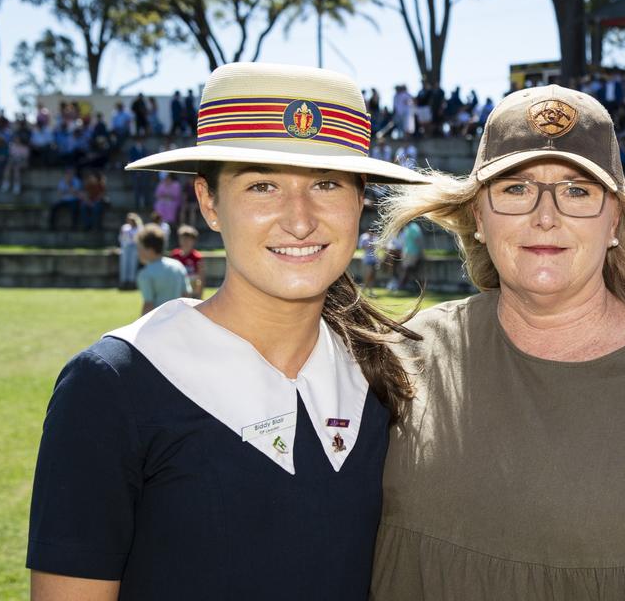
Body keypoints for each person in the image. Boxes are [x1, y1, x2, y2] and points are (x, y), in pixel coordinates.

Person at [26, 62, 428, 599]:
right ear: (208, 202)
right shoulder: (113, 384)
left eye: (327, 184)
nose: (300, 219)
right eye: (263, 186)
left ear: (360, 201)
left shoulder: (379, 377)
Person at [372, 84, 625, 599]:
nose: (546, 216)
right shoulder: (409, 351)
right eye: (516, 188)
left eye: (577, 190)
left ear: (615, 219)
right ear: (479, 216)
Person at [135, 223, 192, 314]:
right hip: (177, 320)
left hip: (158, 323)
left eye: (140, 248)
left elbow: (148, 304)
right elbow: (186, 295)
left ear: (150, 249)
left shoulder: (145, 274)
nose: (138, 252)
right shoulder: (177, 266)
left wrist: (140, 327)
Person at [170, 224, 206, 299]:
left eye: (188, 239)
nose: (185, 241)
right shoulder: (174, 255)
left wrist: (199, 294)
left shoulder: (197, 257)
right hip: (177, 291)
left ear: (193, 241)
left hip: (192, 292)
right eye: (183, 239)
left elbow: (201, 277)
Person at [118, 212, 143, 290]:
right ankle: (123, 282)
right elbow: (121, 238)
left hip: (135, 248)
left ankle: (132, 283)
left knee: (133, 265)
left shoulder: (139, 228)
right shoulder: (125, 227)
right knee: (124, 265)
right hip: (125, 248)